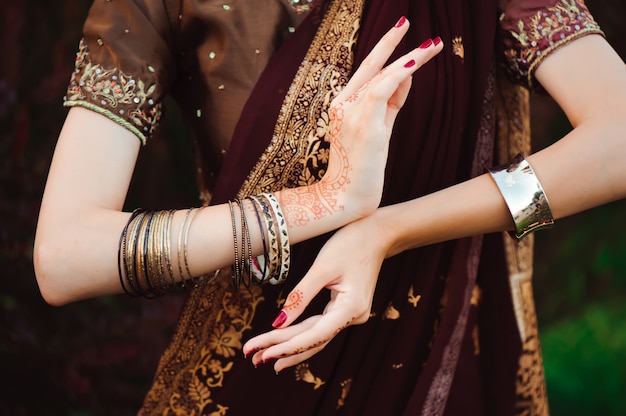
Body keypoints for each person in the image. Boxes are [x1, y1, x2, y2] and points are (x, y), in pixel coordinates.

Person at [34, 1, 626, 416]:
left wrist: (387, 231)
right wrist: (322, 202)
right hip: (258, 365)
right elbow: (64, 257)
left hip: (426, 372)